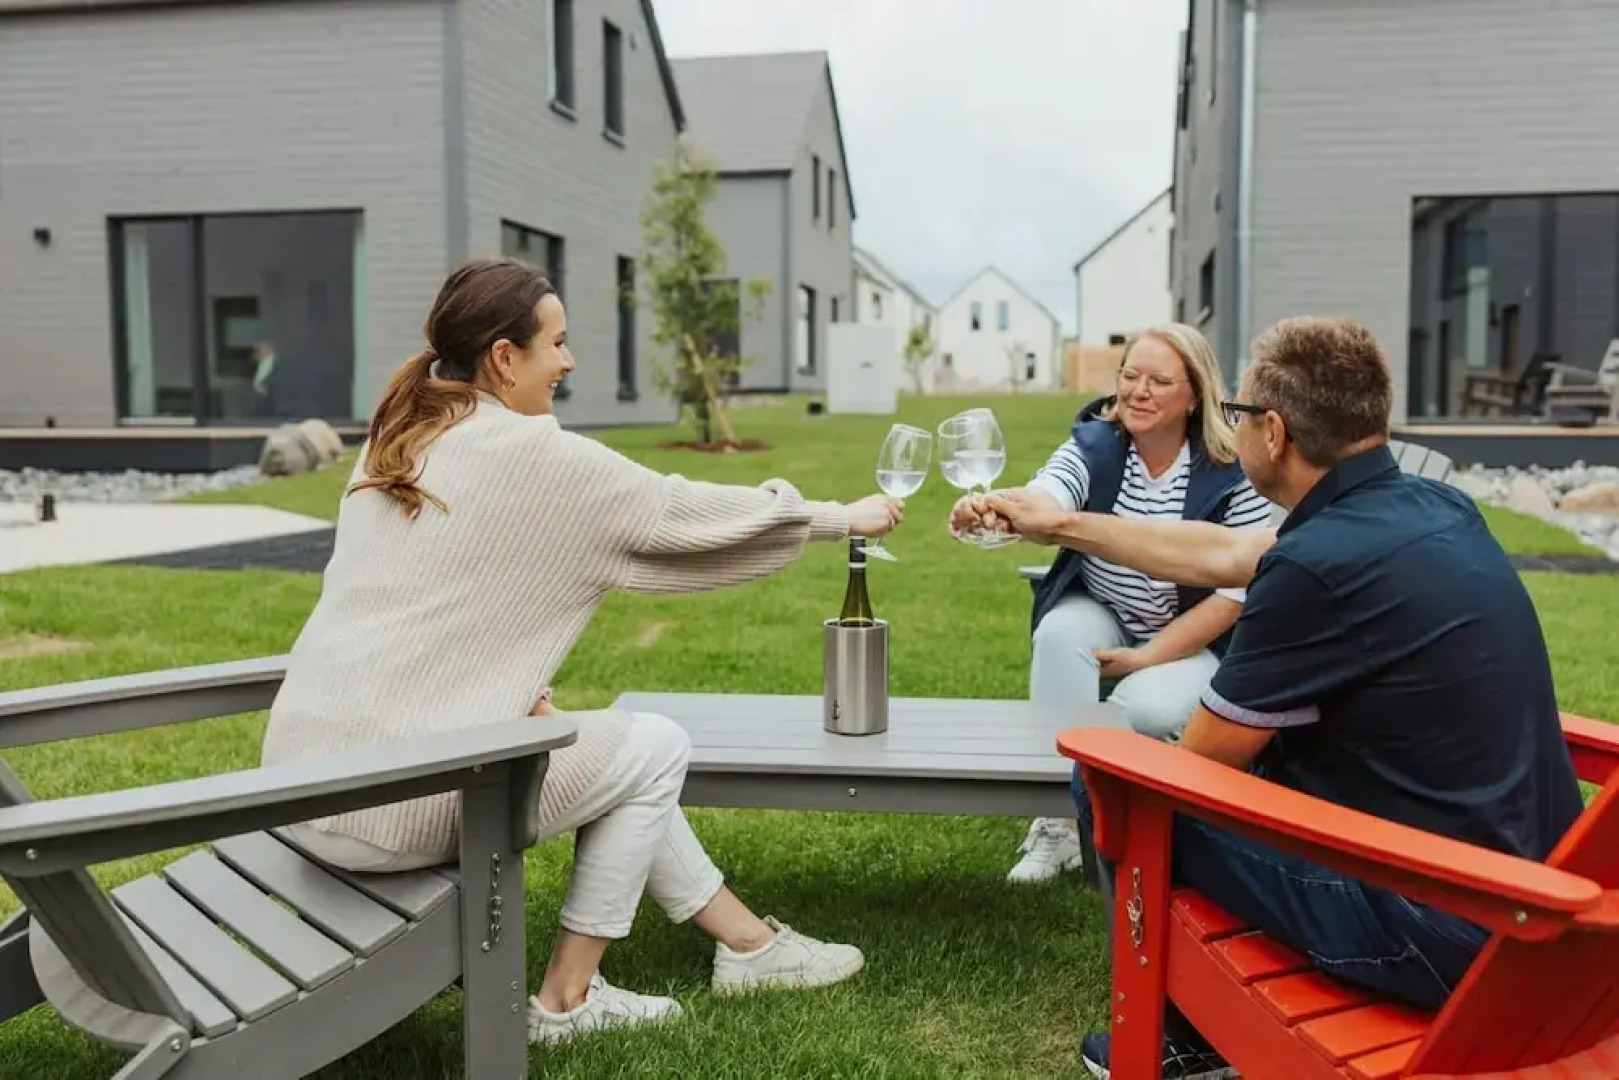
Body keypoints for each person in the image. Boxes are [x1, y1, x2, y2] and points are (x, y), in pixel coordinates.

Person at [261, 258, 905, 1045]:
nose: (568, 363)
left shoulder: (397, 439)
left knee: (608, 751)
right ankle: (568, 999)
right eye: (557, 344)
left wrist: (497, 691)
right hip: (394, 807)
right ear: (505, 358)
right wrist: (843, 516)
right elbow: (683, 512)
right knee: (654, 745)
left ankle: (749, 945)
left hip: (302, 785)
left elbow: (420, 604)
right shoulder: (539, 456)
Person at [980, 315, 1585, 1079]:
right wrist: (1062, 524)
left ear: (1272, 431)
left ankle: (1174, 1044)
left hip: (1444, 928)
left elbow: (1197, 773)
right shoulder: (1433, 510)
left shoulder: (1314, 567)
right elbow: (1231, 552)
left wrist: (1122, 760)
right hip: (1539, 897)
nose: (1231, 430)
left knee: (1120, 787)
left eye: (1235, 415)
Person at [949, 324, 1273, 885]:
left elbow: (1235, 594)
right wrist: (997, 509)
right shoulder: (1095, 444)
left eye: (1158, 381)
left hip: (1196, 638)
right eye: (1129, 375)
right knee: (1058, 634)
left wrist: (1149, 657)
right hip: (1107, 611)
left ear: (1194, 395)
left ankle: (1112, 824)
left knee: (1141, 708)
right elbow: (1048, 496)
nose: (1137, 391)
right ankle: (1054, 826)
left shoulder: (1229, 471)